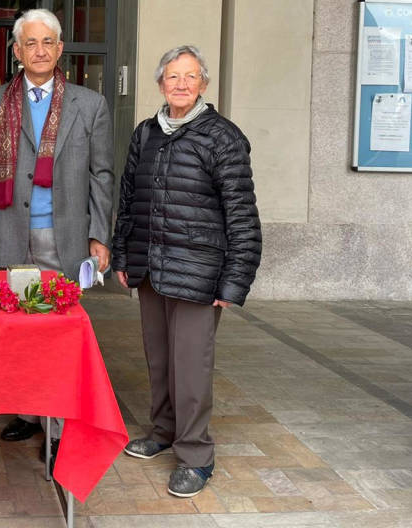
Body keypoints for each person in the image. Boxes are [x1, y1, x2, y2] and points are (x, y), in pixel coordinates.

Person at [111, 45, 261, 498]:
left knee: (190, 367)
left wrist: (235, 280)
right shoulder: (144, 134)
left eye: (190, 77)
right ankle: (162, 431)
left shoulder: (223, 137)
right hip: (151, 269)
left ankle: (196, 454)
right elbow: (128, 201)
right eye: (172, 77)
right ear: (160, 84)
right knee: (159, 360)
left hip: (199, 273)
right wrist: (122, 255)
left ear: (203, 85)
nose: (180, 84)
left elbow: (242, 214)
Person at [0, 8, 113, 448]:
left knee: (57, 337)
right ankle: (28, 412)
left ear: (60, 48)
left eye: (48, 41)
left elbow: (102, 175)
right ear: (16, 52)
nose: (40, 50)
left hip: (63, 236)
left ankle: (60, 428)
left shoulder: (90, 104)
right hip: (8, 232)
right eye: (30, 43)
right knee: (16, 332)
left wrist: (100, 235)